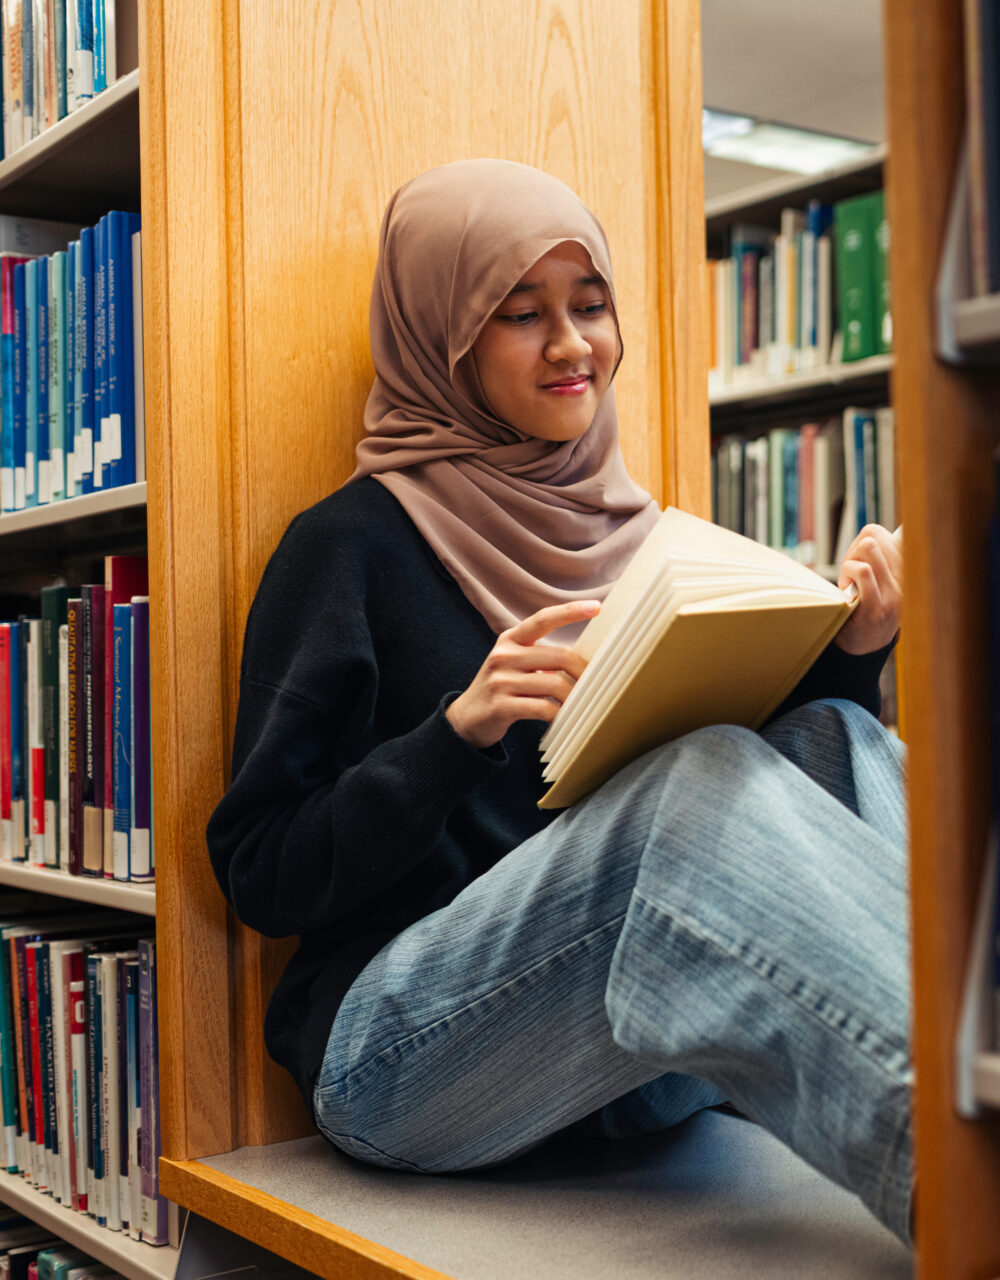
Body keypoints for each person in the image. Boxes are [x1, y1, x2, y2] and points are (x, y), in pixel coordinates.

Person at [205, 159, 913, 1241]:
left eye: (590, 305)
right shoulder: (348, 546)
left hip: (616, 1062)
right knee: (696, 781)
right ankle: (962, 1164)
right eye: (520, 315)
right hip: (399, 1059)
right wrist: (452, 737)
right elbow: (259, 867)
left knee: (836, 735)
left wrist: (854, 650)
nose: (573, 344)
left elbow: (755, 824)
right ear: (442, 338)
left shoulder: (654, 542)